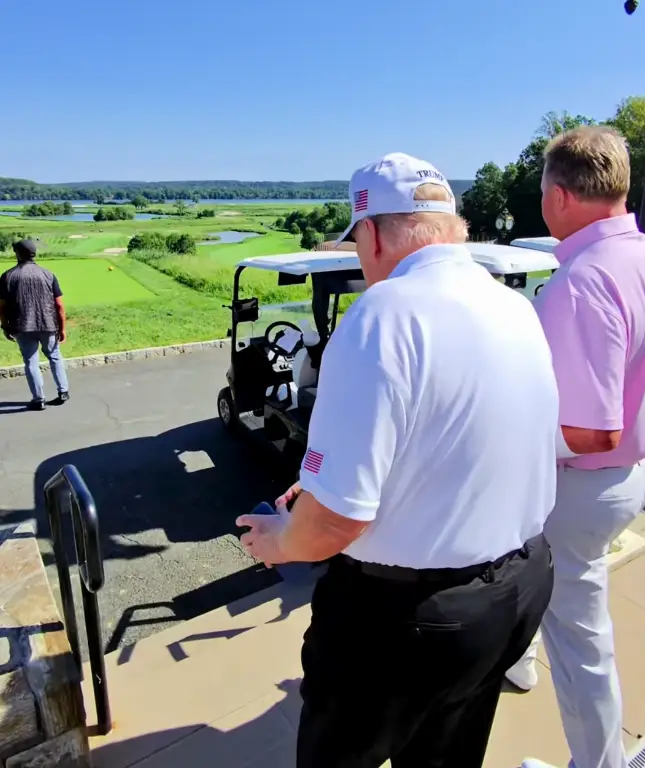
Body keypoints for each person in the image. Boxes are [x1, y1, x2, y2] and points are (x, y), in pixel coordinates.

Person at [237, 152, 558, 768]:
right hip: (516, 588)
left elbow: (336, 522)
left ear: (374, 232)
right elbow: (461, 440)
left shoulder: (381, 315)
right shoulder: (513, 306)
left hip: (407, 620)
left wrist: (280, 540)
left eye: (358, 241)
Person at [518, 127, 645, 768]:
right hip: (622, 478)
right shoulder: (637, 255)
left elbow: (595, 429)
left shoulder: (583, 281)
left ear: (561, 197)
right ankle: (517, 661)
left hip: (581, 484)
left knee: (581, 646)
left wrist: (502, 434)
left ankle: (599, 764)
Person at [0, 238, 69, 410]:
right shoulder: (48, 274)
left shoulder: (8, 276)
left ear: (18, 254)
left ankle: (38, 400)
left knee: (31, 362)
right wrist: (62, 328)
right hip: (48, 324)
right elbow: (59, 305)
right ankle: (63, 391)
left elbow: (1, 306)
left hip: (22, 326)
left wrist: (5, 325)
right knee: (54, 356)